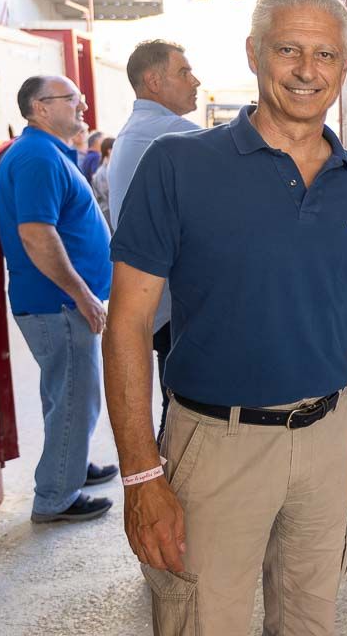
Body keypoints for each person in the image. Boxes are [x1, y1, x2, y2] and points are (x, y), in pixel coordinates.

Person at [103, 0, 347, 635]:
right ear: (255, 53)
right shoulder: (176, 164)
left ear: (345, 65)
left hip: (325, 438)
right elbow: (126, 325)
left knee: (310, 621)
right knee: (203, 621)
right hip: (215, 444)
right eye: (288, 49)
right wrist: (142, 474)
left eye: (325, 54)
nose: (307, 70)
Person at [0, 75, 117, 524]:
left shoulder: (46, 153)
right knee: (72, 395)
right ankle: (55, 497)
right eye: (73, 99)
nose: (82, 105)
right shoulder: (36, 158)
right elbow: (36, 233)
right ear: (40, 108)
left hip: (59, 303)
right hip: (58, 303)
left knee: (71, 393)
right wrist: (82, 294)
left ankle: (71, 466)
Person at [107, 39, 201, 442]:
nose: (195, 81)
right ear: (153, 80)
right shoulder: (174, 135)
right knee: (185, 415)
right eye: (183, 72)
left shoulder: (135, 131)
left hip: (158, 303)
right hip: (172, 305)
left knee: (174, 404)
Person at [91, 135, 115, 224]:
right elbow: (107, 194)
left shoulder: (110, 168)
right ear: (109, 151)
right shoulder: (102, 172)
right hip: (106, 212)